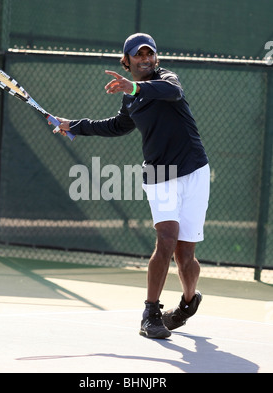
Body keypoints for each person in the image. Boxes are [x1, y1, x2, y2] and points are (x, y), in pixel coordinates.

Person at [51, 33, 210, 339]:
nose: (146, 59)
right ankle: (150, 313)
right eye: (138, 55)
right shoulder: (131, 99)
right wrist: (73, 125)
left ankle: (188, 303)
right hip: (160, 172)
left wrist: (135, 86)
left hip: (194, 170)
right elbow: (116, 125)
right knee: (166, 239)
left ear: (156, 59)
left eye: (150, 54)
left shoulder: (167, 80)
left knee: (185, 256)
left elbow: (171, 91)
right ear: (126, 62)